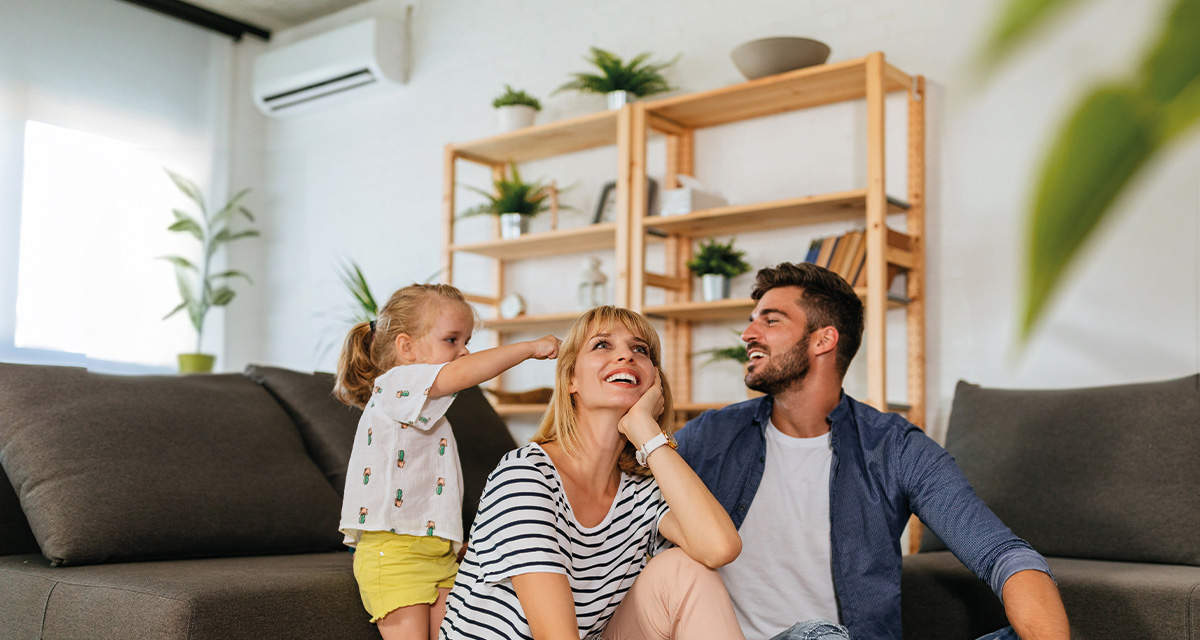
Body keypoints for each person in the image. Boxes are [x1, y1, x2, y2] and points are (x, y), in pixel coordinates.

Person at [675, 262, 1071, 640]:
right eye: (752, 320)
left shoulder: (893, 447)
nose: (748, 334)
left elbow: (1001, 553)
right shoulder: (711, 437)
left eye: (771, 320)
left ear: (823, 340)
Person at [441, 306, 751, 640]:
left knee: (684, 569)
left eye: (640, 350)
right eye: (602, 344)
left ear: (655, 383)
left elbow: (719, 548)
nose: (626, 356)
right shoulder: (526, 476)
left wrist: (646, 432)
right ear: (571, 380)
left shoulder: (641, 492)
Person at [334, 283, 560, 640]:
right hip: (393, 555)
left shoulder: (432, 415)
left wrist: (452, 539)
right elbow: (461, 375)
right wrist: (528, 348)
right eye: (452, 339)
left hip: (438, 555)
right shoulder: (394, 384)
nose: (465, 351)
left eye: (467, 340)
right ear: (406, 347)